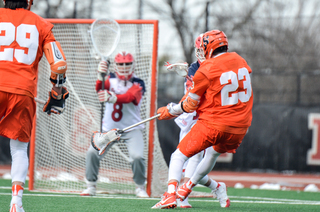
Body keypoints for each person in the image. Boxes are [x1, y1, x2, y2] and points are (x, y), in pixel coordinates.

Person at [152, 29, 253, 209]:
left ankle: (171, 194)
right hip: (240, 126)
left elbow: (190, 103)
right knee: (207, 156)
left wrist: (171, 111)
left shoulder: (207, 68)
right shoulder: (239, 60)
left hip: (212, 122)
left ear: (208, 48)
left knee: (180, 156)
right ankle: (189, 190)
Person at [0, 1, 69, 211]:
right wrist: (57, 92)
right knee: (19, 148)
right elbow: (59, 64)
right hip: (23, 90)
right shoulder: (40, 24)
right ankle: (16, 203)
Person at [80, 51, 149, 198]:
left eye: (127, 63)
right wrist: (100, 74)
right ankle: (91, 185)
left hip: (132, 128)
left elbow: (130, 97)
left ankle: (140, 187)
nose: (124, 67)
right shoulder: (110, 79)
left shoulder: (138, 83)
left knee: (137, 157)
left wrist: (113, 97)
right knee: (92, 152)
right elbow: (99, 88)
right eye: (120, 64)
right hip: (108, 129)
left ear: (133, 64)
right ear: (116, 65)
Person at [174, 35, 224, 208]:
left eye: (204, 50)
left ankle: (181, 196)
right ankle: (217, 186)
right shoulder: (195, 69)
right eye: (199, 51)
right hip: (189, 117)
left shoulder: (217, 68)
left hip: (204, 120)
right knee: (187, 163)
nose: (201, 54)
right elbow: (194, 95)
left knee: (193, 158)